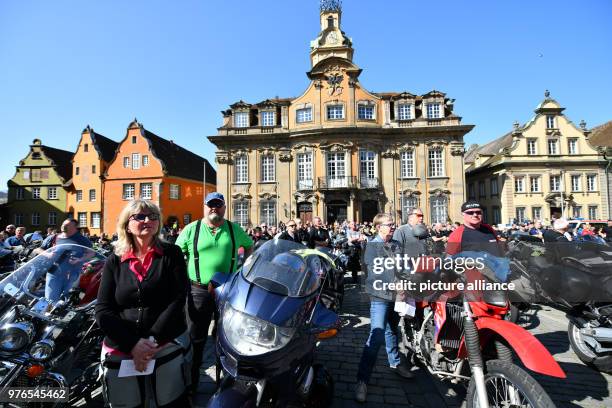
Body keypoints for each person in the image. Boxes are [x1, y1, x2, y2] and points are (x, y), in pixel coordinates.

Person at [96, 199, 191, 407]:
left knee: (171, 400)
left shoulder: (171, 254)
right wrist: (133, 345)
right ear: (127, 224)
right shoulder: (115, 259)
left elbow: (178, 299)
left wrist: (150, 342)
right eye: (140, 216)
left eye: (153, 216)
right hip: (122, 345)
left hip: (163, 341)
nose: (147, 220)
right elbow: (103, 309)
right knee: (126, 403)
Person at [175, 192, 254, 392]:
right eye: (211, 205)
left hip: (227, 291)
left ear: (224, 208)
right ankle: (191, 380)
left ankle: (225, 380)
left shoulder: (233, 229)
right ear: (204, 207)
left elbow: (250, 246)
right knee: (196, 338)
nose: (214, 208)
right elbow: (176, 255)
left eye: (218, 205)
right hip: (198, 291)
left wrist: (244, 268)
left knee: (226, 336)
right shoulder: (192, 229)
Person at [355, 213, 414, 402]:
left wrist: (407, 280)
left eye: (393, 224)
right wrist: (393, 283)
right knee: (377, 335)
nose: (392, 227)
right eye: (389, 225)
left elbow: (402, 268)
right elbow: (374, 273)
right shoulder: (372, 246)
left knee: (392, 331)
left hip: (396, 297)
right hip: (380, 296)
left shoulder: (396, 245)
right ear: (379, 227)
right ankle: (362, 381)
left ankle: (395, 363)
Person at [37, 219, 92, 301]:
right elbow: (38, 249)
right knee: (50, 301)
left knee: (67, 301)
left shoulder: (83, 240)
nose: (63, 226)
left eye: (67, 225)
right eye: (63, 224)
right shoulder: (54, 237)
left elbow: (91, 253)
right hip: (54, 273)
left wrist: (79, 259)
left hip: (73, 275)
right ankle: (47, 314)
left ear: (75, 227)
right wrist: (48, 254)